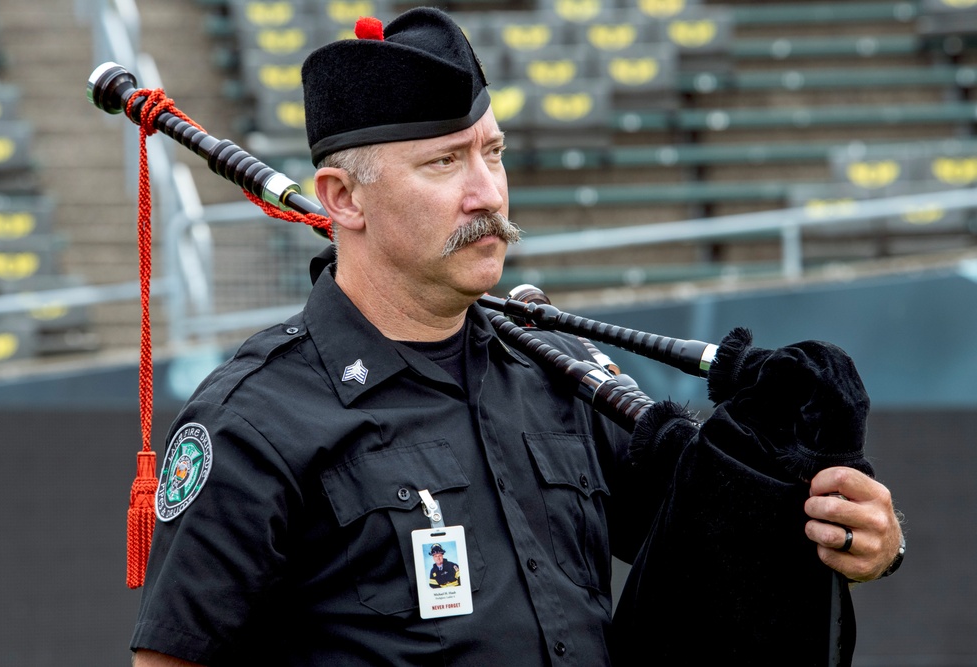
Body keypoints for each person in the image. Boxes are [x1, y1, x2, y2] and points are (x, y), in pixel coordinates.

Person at [130, 8, 904, 666]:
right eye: (443, 162)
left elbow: (717, 536)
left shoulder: (560, 373)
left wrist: (862, 535)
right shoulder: (255, 421)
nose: (487, 192)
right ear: (342, 198)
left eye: (491, 153)